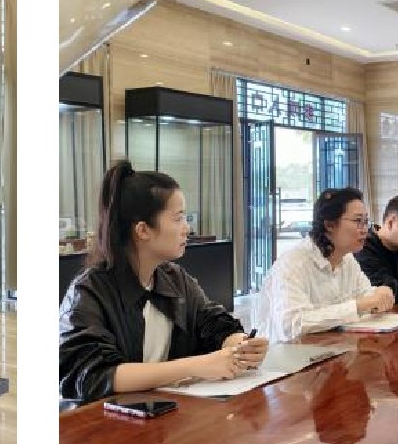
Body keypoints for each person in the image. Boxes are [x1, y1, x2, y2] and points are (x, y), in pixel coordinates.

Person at [59, 161, 269, 400]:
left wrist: (240, 345)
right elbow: (92, 375)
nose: (187, 228)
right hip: (106, 417)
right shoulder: (89, 291)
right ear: (143, 230)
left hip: (166, 412)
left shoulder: (175, 280)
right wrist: (195, 366)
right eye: (178, 218)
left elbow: (213, 324)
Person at [259, 187, 395, 343]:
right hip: (290, 352)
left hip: (333, 347)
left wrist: (380, 294)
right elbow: (292, 325)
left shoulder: (347, 259)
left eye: (366, 222)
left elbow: (366, 297)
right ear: (329, 224)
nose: (365, 230)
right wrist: (358, 306)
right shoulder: (293, 263)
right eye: (358, 221)